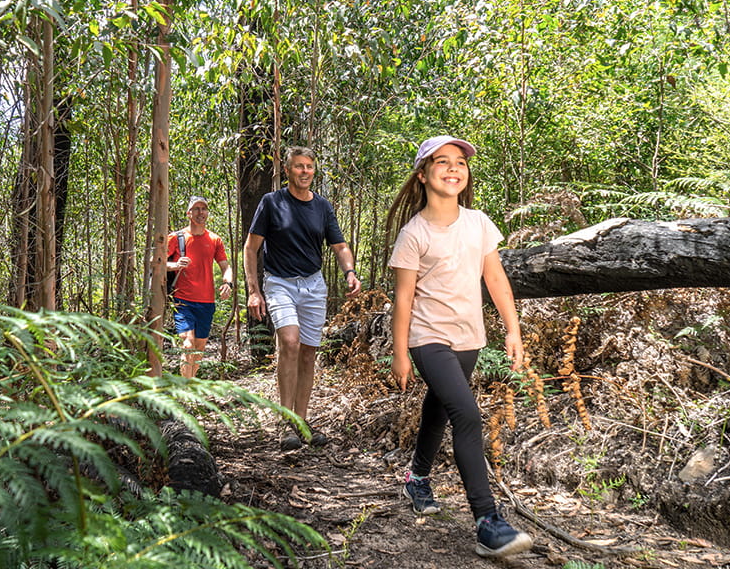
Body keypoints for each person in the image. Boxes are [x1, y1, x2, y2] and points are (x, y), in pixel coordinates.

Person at [386, 135, 533, 559]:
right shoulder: (414, 234)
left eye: (460, 163)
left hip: (469, 337)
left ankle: (416, 479)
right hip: (427, 338)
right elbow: (404, 300)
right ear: (423, 174)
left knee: (439, 407)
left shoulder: (479, 223)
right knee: (466, 413)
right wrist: (400, 353)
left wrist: (512, 328)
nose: (454, 169)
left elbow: (496, 279)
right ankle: (488, 521)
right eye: (442, 162)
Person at [244, 146, 362, 451]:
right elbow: (250, 248)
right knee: (291, 343)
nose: (305, 171)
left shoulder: (322, 207)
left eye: (309, 166)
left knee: (309, 352)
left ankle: (300, 420)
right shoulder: (272, 203)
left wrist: (349, 271)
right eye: (299, 166)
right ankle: (286, 421)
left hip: (313, 285)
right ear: (287, 170)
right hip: (279, 282)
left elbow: (340, 246)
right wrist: (253, 291)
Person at [167, 196, 234, 378]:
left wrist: (227, 283)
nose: (200, 212)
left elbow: (225, 266)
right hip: (182, 299)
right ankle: (186, 393)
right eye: (196, 209)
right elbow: (154, 262)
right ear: (189, 213)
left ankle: (190, 383)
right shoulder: (176, 238)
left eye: (203, 209)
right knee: (188, 344)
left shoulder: (214, 239)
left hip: (206, 301)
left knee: (199, 346)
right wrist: (174, 265)